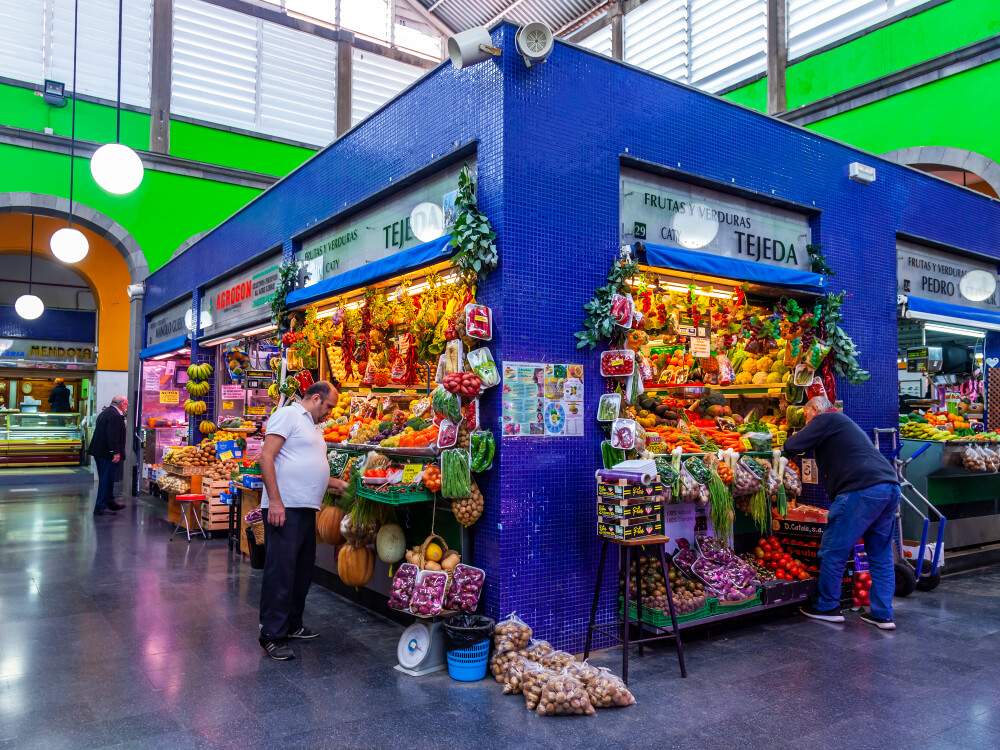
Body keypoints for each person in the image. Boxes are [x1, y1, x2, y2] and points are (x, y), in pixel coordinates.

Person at [784, 396, 901, 630]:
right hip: (889, 488)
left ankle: (827, 606)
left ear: (815, 410)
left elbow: (793, 444)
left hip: (860, 492)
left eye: (807, 418)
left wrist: (781, 454)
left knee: (833, 551)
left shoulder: (828, 417)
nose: (808, 423)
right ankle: (883, 615)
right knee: (881, 557)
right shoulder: (844, 424)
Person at [258, 381, 348, 661]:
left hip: (306, 508)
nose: (329, 413)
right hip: (285, 507)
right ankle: (272, 634)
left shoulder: (310, 425)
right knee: (281, 572)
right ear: (316, 398)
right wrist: (275, 501)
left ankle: (292, 624)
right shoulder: (288, 415)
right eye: (329, 407)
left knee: (301, 572)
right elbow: (266, 456)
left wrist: (335, 483)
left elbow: (304, 464)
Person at [88, 395, 128, 516]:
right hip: (106, 453)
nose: (127, 407)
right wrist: (115, 452)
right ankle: (100, 506)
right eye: (127, 405)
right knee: (106, 479)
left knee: (107, 479)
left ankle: (110, 502)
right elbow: (112, 435)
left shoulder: (105, 412)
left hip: (99, 451)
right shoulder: (115, 416)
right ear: (122, 404)